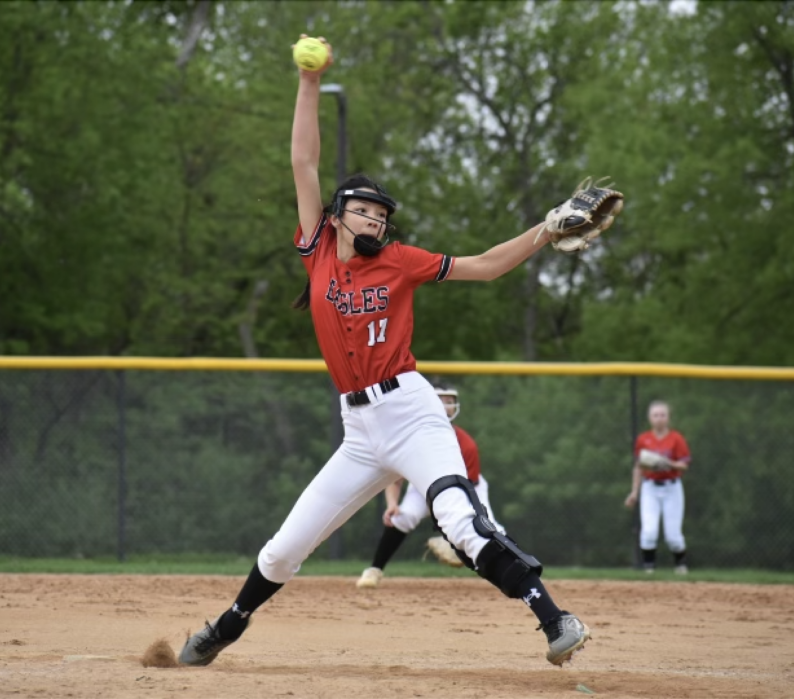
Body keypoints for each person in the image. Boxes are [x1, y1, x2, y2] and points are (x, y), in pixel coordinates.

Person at [178, 35, 592, 669]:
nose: (376, 221)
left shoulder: (400, 262)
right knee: (285, 549)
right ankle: (225, 629)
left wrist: (544, 228)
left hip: (411, 411)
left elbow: (482, 266)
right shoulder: (317, 246)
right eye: (365, 211)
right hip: (359, 429)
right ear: (339, 216)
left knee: (458, 517)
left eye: (381, 214)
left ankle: (554, 619)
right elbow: (304, 163)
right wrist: (309, 82)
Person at [356, 384, 504, 588]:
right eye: (439, 400)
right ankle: (374, 570)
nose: (445, 406)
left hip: (466, 489)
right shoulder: (411, 439)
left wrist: (453, 534)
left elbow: (465, 494)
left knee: (490, 528)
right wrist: (392, 503)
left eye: (449, 401)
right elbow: (395, 477)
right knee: (402, 517)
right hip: (422, 487)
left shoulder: (466, 444)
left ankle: (514, 574)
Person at [624, 401, 692, 574]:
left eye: (662, 415)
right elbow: (639, 467)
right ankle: (649, 571)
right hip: (650, 487)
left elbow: (684, 465)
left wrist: (668, 463)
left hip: (672, 487)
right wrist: (634, 492)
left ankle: (681, 568)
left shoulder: (676, 438)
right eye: (655, 415)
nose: (659, 418)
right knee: (649, 532)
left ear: (668, 417)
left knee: (673, 536)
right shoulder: (643, 439)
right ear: (649, 418)